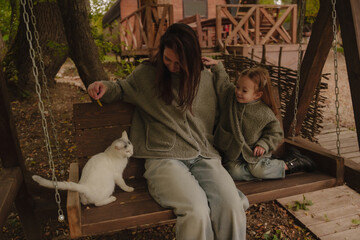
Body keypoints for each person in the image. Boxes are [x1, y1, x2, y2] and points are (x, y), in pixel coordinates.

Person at [87, 23, 249, 240]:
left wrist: (220, 71)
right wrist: (103, 87)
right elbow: (122, 88)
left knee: (231, 205)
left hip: (204, 155)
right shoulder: (147, 75)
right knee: (197, 210)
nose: (172, 66)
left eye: (179, 62)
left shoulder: (205, 78)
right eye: (167, 59)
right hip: (163, 158)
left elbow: (233, 99)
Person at [203, 63, 316, 181]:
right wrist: (218, 66)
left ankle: (290, 164)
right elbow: (224, 84)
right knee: (234, 173)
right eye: (237, 87)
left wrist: (264, 144)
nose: (238, 92)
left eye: (244, 90)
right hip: (233, 155)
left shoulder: (264, 113)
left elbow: (275, 133)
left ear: (257, 95)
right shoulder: (231, 97)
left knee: (258, 170)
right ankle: (270, 170)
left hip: (255, 155)